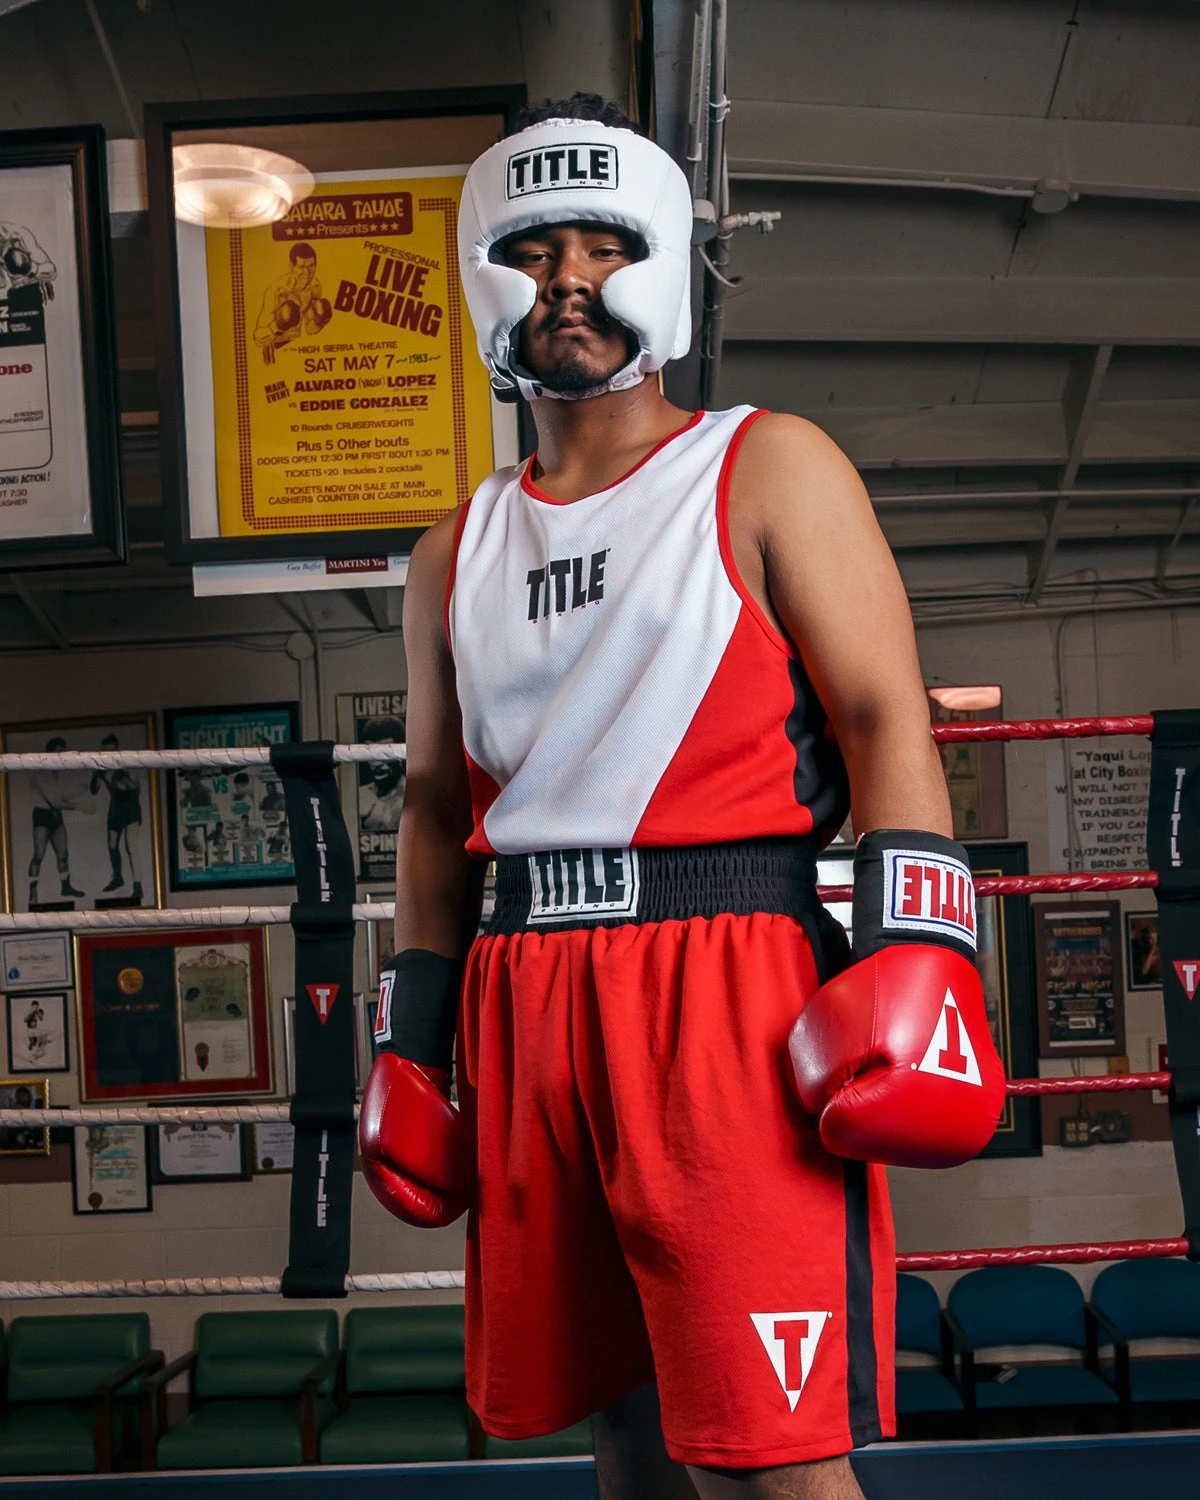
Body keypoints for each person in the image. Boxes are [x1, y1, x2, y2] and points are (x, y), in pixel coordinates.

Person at [359, 96, 1004, 1500]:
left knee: (769, 1458)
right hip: (526, 996)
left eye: (602, 246)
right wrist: (414, 1032)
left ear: (661, 262)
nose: (570, 282)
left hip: (724, 984)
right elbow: (427, 801)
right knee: (626, 1431)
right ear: (488, 277)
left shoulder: (767, 463)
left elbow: (888, 713)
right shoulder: (446, 551)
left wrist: (922, 951)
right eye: (535, 252)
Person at [253, 242, 332, 364]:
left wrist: (320, 321)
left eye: (311, 266)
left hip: (295, 350)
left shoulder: (315, 287)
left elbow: (310, 330)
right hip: (273, 351)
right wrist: (279, 325)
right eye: (301, 267)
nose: (307, 272)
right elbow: (258, 338)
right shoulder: (278, 291)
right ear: (292, 267)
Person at [28, 737, 84, 905]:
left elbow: (62, 797)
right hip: (43, 816)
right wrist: (79, 806)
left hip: (56, 816)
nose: (61, 758)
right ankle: (33, 890)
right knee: (38, 855)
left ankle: (65, 887)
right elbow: (55, 801)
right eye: (58, 753)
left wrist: (79, 791)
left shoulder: (57, 774)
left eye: (62, 754)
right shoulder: (40, 774)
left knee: (63, 854)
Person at [89, 735, 144, 900]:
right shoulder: (103, 769)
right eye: (104, 751)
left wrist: (123, 775)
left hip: (131, 808)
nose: (108, 754)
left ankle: (137, 885)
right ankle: (118, 878)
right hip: (115, 809)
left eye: (111, 751)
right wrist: (96, 774)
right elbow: (94, 789)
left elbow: (135, 788)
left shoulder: (126, 764)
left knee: (130, 846)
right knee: (112, 844)